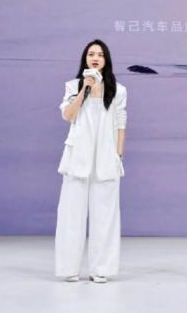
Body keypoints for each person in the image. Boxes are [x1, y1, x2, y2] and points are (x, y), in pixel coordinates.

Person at [54, 39, 127, 283]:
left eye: (100, 54)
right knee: (71, 214)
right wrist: (84, 90)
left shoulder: (118, 89)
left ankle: (100, 269)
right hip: (77, 157)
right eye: (91, 54)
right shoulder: (73, 85)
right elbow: (68, 115)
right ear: (85, 59)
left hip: (106, 158)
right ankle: (69, 268)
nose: (95, 58)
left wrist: (118, 154)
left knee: (105, 215)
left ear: (106, 60)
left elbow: (120, 122)